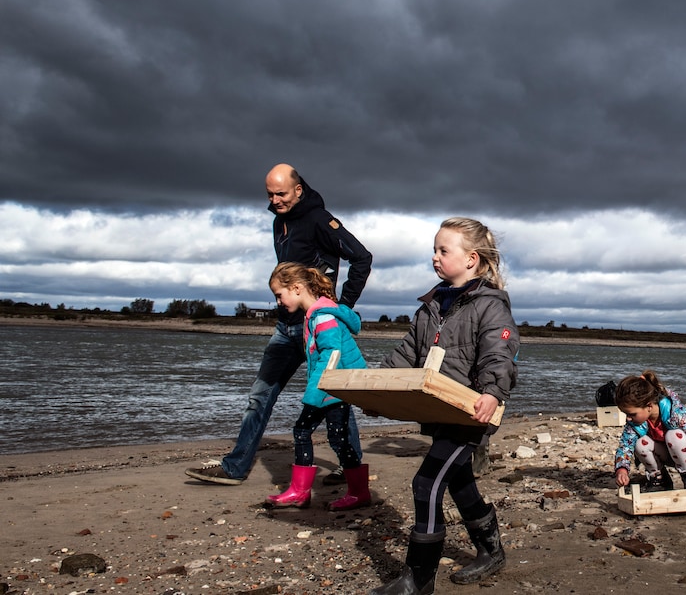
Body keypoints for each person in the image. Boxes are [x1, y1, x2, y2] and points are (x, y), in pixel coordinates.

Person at [186, 164, 373, 486]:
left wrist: (341, 307)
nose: (274, 200)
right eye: (270, 194)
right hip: (286, 329)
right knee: (260, 396)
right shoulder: (278, 222)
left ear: (298, 190)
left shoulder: (319, 219)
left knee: (334, 396)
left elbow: (362, 257)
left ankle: (350, 466)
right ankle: (235, 467)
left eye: (281, 193)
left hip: (317, 327)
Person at [371, 217, 519, 595]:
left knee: (426, 482)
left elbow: (498, 353)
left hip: (470, 410)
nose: (434, 257)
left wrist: (492, 391)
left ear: (471, 258)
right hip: (438, 408)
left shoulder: (490, 305)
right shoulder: (431, 305)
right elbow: (407, 352)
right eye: (434, 250)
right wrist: (377, 389)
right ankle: (491, 550)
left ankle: (418, 579)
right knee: (459, 480)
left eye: (443, 250)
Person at [263, 262, 371, 511]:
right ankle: (355, 491)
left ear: (297, 288)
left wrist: (315, 391)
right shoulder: (317, 313)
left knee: (306, 431)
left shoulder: (321, 316)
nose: (278, 301)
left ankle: (302, 492)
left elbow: (331, 354)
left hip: (332, 386)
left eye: (279, 295)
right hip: (334, 386)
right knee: (338, 438)